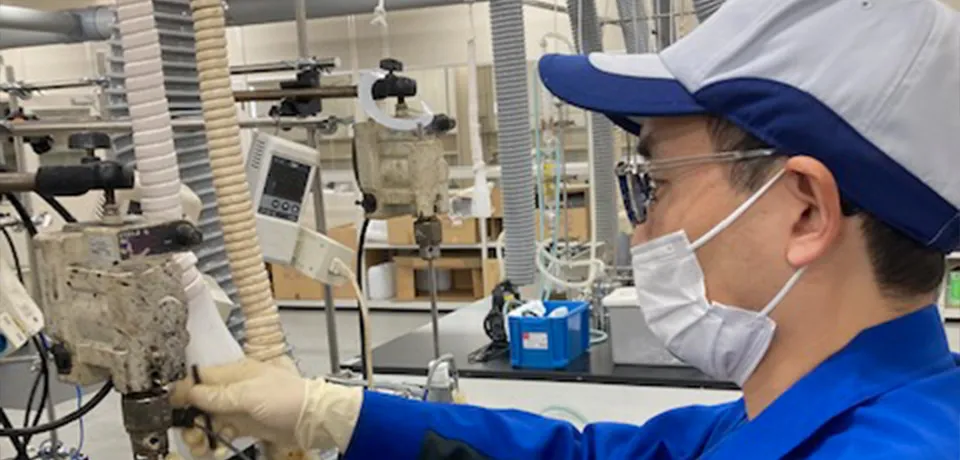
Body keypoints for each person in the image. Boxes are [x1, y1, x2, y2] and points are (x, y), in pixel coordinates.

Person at [172, 0, 960, 458]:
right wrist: (331, 414)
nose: (639, 232)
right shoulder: (807, 414)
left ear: (806, 210)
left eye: (653, 184)